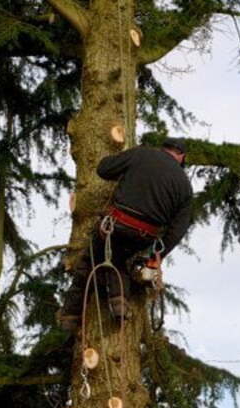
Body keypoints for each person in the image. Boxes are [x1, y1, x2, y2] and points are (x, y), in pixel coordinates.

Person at [59, 138, 193, 330]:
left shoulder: (142, 153)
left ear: (162, 148)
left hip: (115, 225)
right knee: (119, 259)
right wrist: (156, 256)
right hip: (144, 236)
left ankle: (70, 316)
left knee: (88, 264)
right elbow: (178, 230)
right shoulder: (185, 186)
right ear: (181, 157)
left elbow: (104, 169)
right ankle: (119, 303)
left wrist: (128, 168)